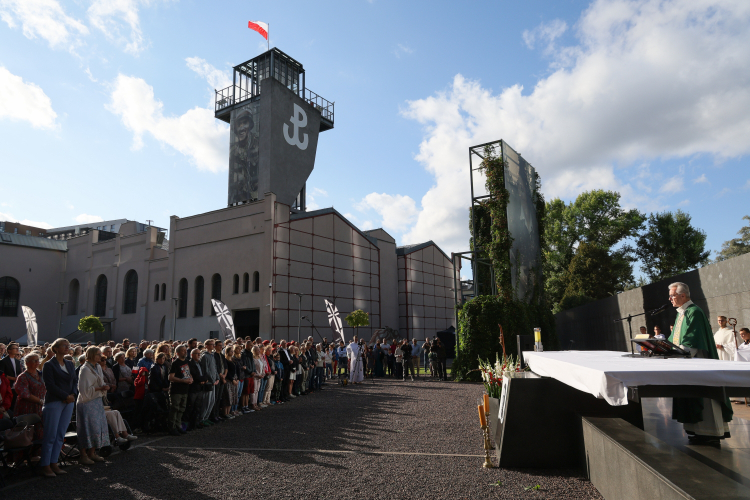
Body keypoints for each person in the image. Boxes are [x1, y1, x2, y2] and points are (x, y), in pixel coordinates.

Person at [668, 282, 733, 443]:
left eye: (672, 295)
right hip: (686, 363)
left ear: (683, 295)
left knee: (705, 400)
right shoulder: (681, 313)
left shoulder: (694, 312)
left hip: (699, 364)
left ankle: (710, 433)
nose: (670, 299)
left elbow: (691, 341)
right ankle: (697, 431)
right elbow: (674, 339)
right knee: (692, 397)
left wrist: (676, 352)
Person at [40, 338, 77, 477]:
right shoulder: (49, 365)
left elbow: (74, 380)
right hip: (54, 402)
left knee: (60, 434)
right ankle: (45, 464)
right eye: (64, 345)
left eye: (68, 345)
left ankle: (54, 462)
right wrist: (65, 396)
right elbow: (50, 385)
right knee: (50, 435)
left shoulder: (69, 363)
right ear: (55, 349)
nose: (67, 347)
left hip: (69, 402)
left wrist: (73, 394)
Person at [77, 347, 110, 465]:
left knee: (96, 427)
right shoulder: (85, 369)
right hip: (86, 402)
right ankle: (83, 455)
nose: (100, 356)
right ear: (91, 355)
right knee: (86, 427)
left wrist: (104, 386)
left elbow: (100, 382)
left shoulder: (98, 367)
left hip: (96, 400)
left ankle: (92, 452)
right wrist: (100, 388)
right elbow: (83, 389)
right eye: (98, 354)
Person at [13, 352, 46, 455]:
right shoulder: (22, 377)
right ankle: (27, 456)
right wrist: (40, 401)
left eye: (38, 360)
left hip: (41, 407)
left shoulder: (40, 374)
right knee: (28, 432)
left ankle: (39, 454)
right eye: (34, 360)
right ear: (27, 363)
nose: (37, 362)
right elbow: (25, 394)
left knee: (40, 430)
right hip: (27, 407)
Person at [167, 345, 192, 436]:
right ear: (177, 353)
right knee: (175, 408)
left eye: (185, 350)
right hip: (176, 390)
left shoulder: (187, 362)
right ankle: (172, 427)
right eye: (182, 351)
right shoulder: (175, 363)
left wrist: (190, 379)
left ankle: (178, 425)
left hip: (185, 389)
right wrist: (183, 380)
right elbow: (171, 377)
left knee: (182, 408)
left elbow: (188, 373)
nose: (185, 352)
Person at [186, 348, 207, 430]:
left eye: (199, 353)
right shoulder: (190, 364)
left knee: (198, 407)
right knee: (191, 407)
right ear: (192, 355)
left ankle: (196, 423)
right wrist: (202, 380)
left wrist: (204, 380)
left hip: (200, 388)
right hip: (193, 388)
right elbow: (194, 375)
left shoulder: (200, 363)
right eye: (196, 353)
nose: (199, 355)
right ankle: (189, 425)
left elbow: (205, 373)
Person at [200, 340, 220, 425]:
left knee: (212, 401)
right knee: (206, 402)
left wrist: (217, 378)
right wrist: (212, 380)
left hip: (213, 382)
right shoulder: (204, 356)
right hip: (209, 383)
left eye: (213, 344)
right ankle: (202, 419)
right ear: (207, 346)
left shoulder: (212, 355)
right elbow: (205, 370)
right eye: (211, 344)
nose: (213, 346)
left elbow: (215, 368)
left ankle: (206, 417)